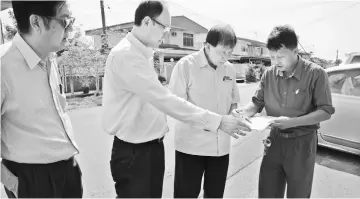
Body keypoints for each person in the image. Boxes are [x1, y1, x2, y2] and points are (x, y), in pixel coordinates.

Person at [101, 1, 251, 198]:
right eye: (165, 27)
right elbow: (168, 101)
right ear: (147, 22)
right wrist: (219, 121)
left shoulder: (141, 54)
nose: (166, 33)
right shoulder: (127, 56)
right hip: (138, 151)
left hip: (150, 147)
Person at [233, 25, 335, 198]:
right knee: (268, 191)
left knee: (299, 193)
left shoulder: (316, 74)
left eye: (280, 57)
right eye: (272, 57)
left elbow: (325, 111)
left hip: (302, 144)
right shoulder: (269, 74)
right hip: (275, 140)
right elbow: (257, 103)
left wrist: (292, 122)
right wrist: (244, 112)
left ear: (295, 51)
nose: (275, 62)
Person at [0, 1, 82, 198]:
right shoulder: (4, 65)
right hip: (32, 180)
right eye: (64, 20)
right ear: (36, 22)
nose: (70, 28)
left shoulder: (49, 57)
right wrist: (13, 183)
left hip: (68, 170)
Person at [168, 24, 239, 198]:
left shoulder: (229, 69)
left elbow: (234, 102)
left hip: (220, 148)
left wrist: (235, 116)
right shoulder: (186, 66)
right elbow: (176, 106)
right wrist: (217, 121)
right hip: (191, 148)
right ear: (207, 46)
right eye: (222, 52)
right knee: (186, 195)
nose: (226, 57)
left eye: (230, 53)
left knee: (215, 195)